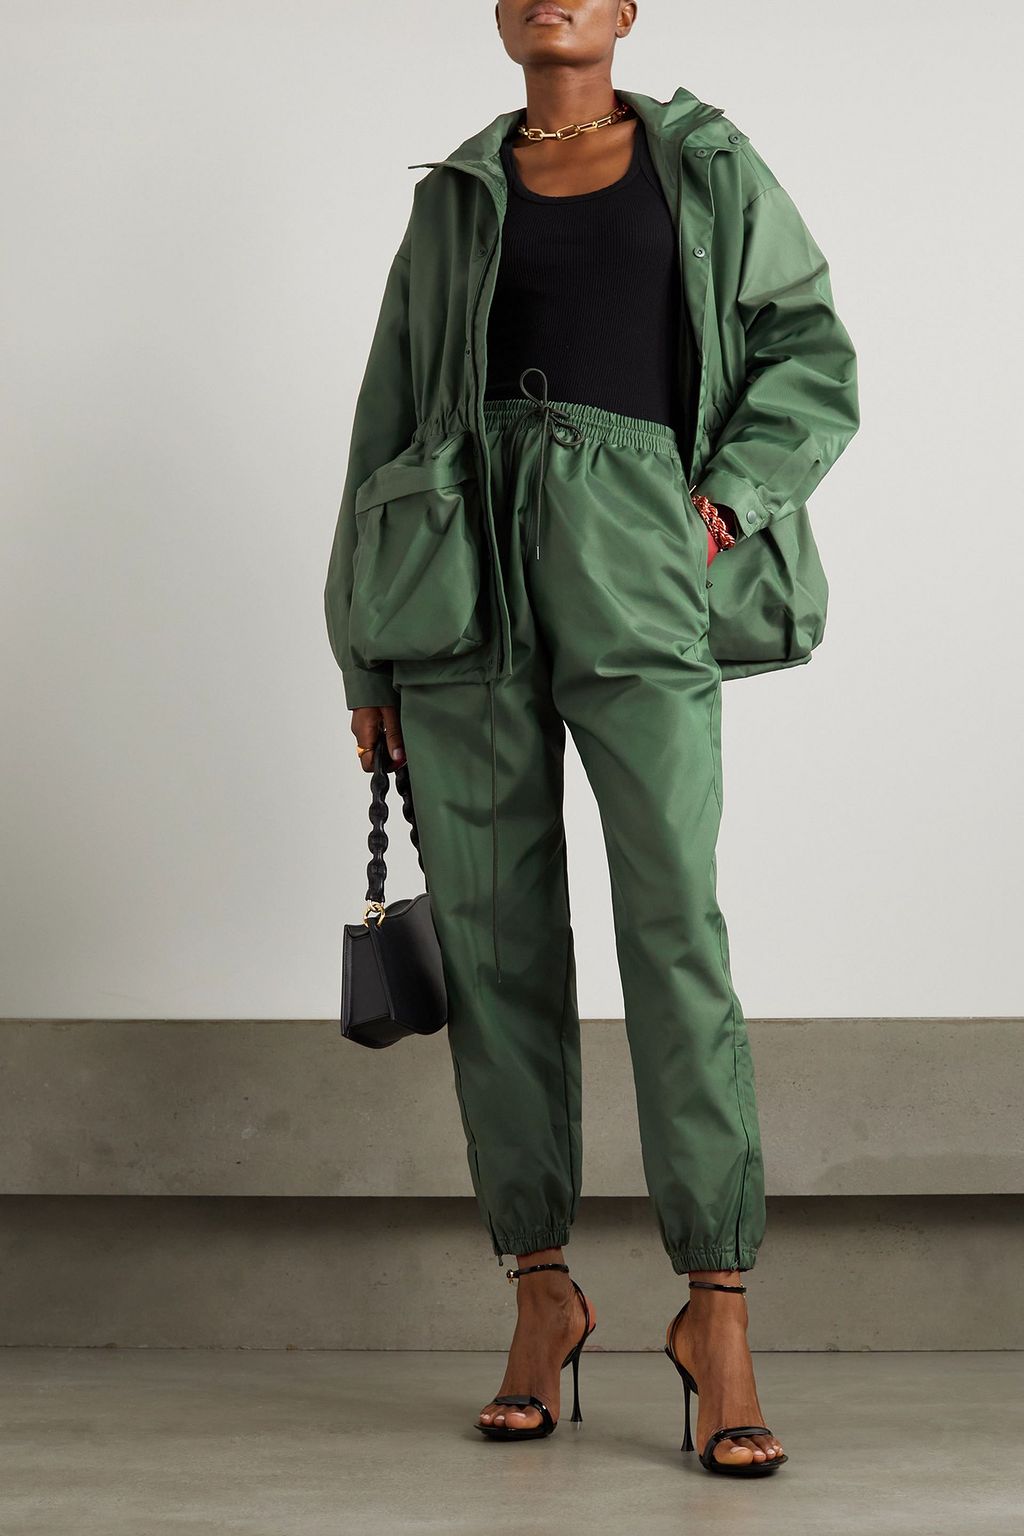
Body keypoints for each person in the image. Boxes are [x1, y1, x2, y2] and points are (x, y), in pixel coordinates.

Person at [324, 0, 859, 1476]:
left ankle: (718, 1309)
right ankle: (541, 1294)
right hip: (457, 582)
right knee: (496, 945)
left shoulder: (706, 166)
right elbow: (383, 422)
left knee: (673, 923)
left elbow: (811, 350)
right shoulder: (454, 198)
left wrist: (716, 508)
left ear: (626, 11)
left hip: (637, 554)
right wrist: (362, 643)